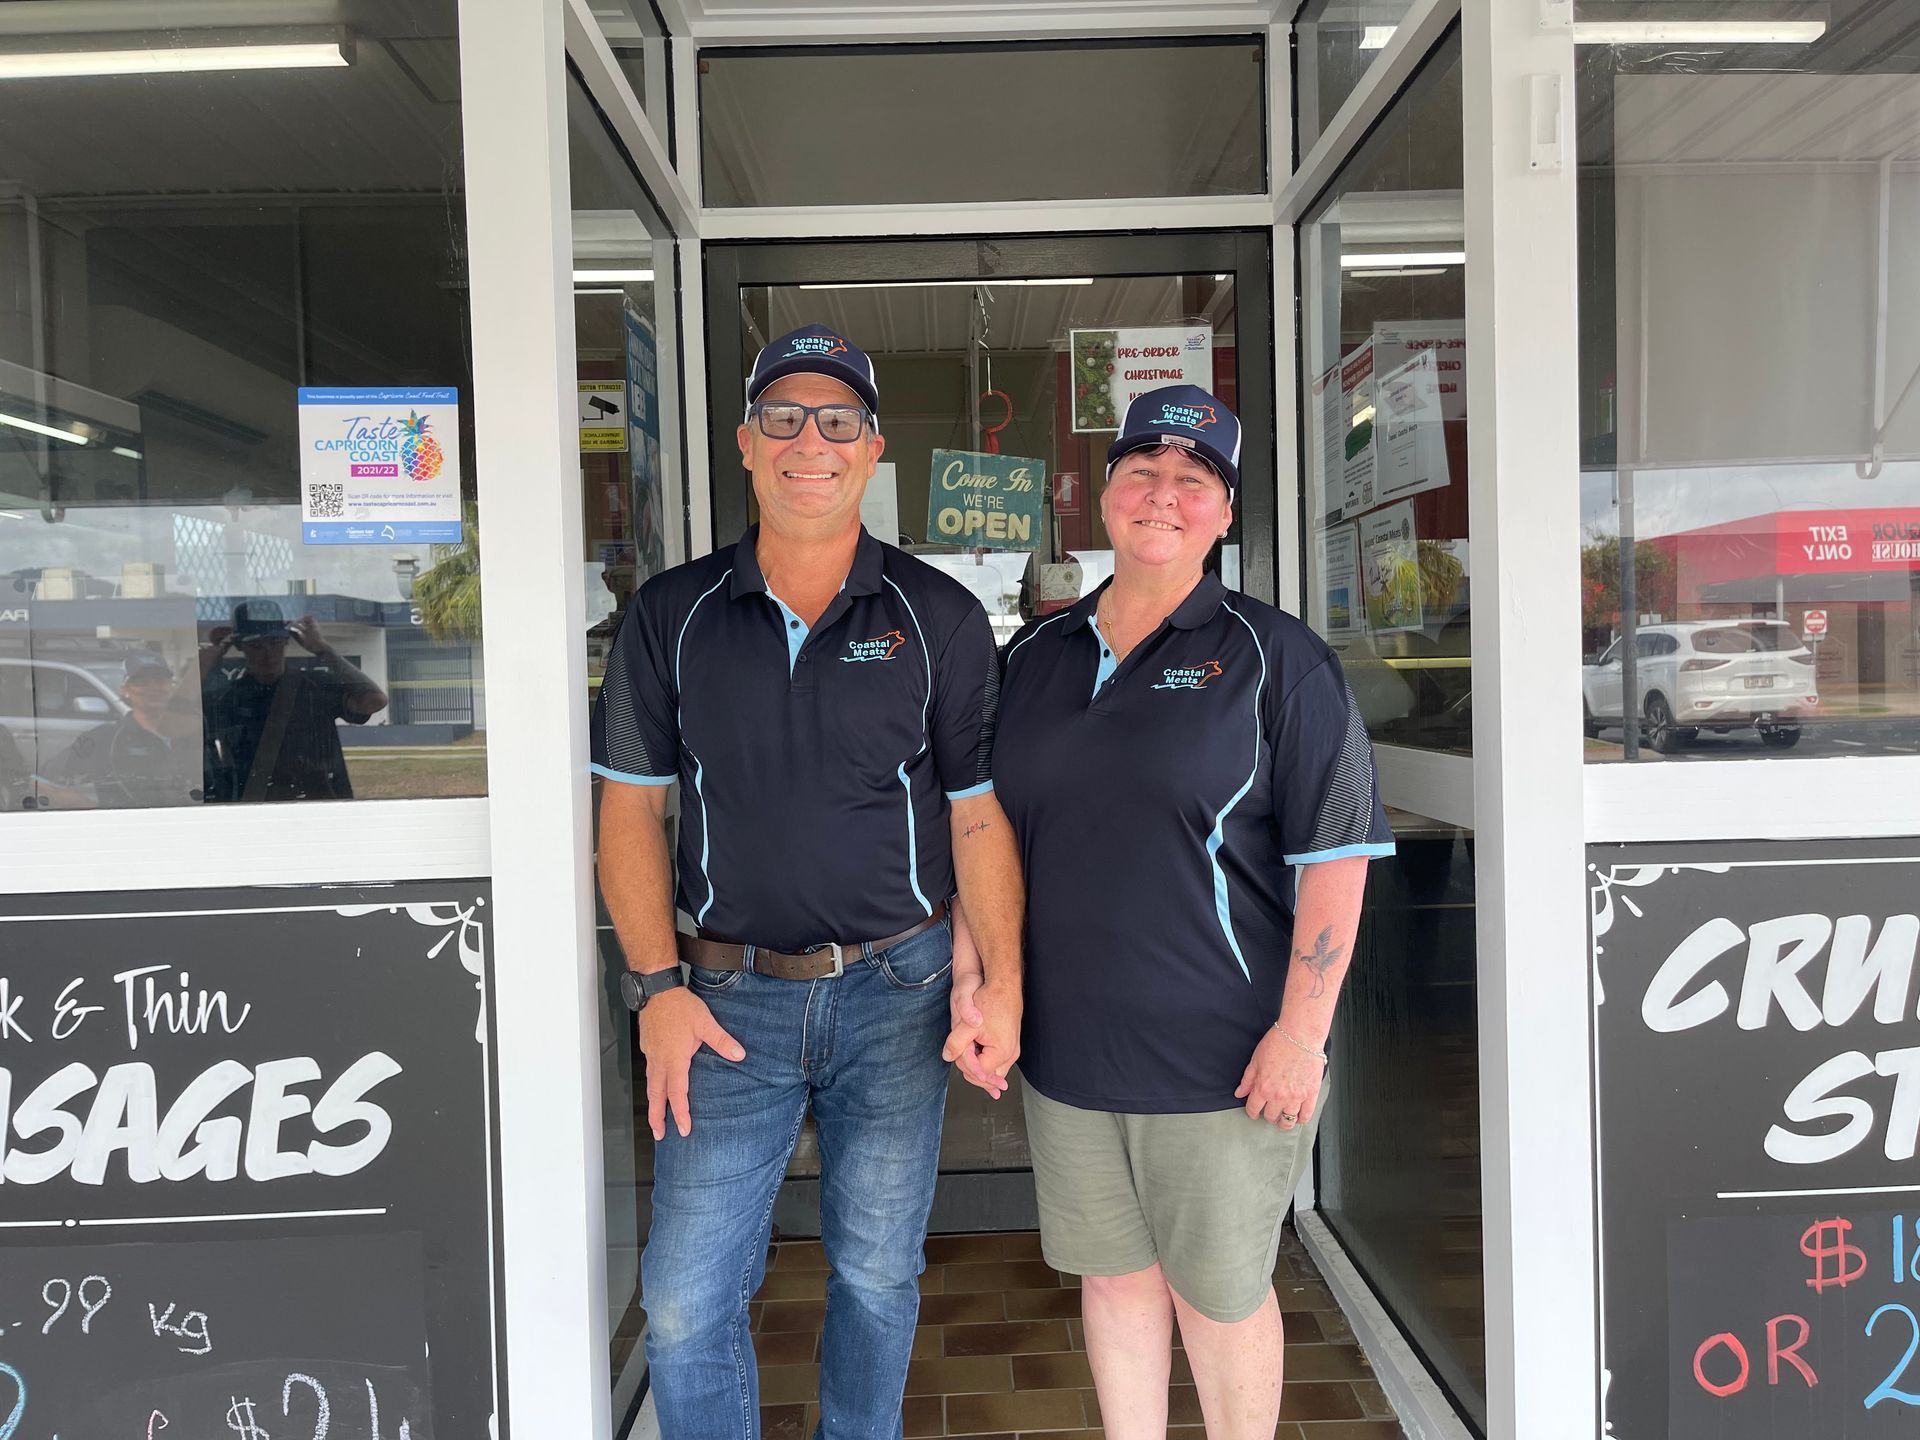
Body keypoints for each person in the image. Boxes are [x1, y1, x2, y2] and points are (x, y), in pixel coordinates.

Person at [591, 324, 1024, 1440]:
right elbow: (630, 811)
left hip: (900, 992)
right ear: (745, 442)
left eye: (838, 421)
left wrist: (1002, 983)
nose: (809, 442)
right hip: (722, 1005)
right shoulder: (669, 616)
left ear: (873, 450)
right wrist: (655, 989)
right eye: (783, 418)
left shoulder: (939, 617)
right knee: (686, 1304)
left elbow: (977, 817)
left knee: (877, 1278)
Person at [987, 384, 1394, 1439]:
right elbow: (988, 847)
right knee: (1116, 1282)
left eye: (1194, 481)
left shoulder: (1279, 660)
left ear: (1223, 513)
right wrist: (983, 986)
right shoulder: (1033, 660)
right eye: (1141, 473)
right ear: (1106, 497)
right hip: (1070, 1054)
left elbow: (1337, 861)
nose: (1163, 496)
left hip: (1222, 1060)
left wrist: (1302, 1035)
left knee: (1218, 1296)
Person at [200, 600, 388, 802]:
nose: (268, 654)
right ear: (239, 646)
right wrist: (207, 662)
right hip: (255, 814)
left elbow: (374, 701)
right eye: (257, 646)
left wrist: (323, 649)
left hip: (320, 811)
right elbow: (173, 725)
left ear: (286, 641)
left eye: (274, 642)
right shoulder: (229, 698)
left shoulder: (315, 687)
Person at [46, 654, 201, 807]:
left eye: (160, 681)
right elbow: (40, 780)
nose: (153, 688)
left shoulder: (194, 734)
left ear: (171, 687)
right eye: (143, 682)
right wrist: (74, 801)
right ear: (125, 690)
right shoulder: (102, 739)